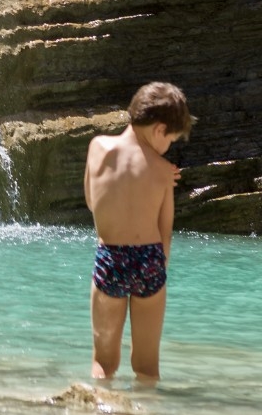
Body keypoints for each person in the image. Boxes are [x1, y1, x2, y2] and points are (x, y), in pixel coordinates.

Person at [83, 82, 193, 384]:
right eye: (170, 139)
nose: (168, 146)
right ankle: (147, 403)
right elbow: (165, 231)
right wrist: (158, 269)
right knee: (147, 366)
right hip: (149, 263)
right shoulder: (164, 170)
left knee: (103, 362)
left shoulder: (98, 148)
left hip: (111, 259)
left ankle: (99, 400)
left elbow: (92, 201)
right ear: (159, 130)